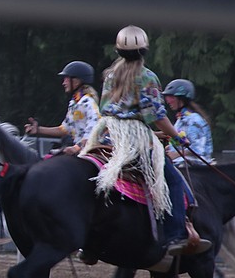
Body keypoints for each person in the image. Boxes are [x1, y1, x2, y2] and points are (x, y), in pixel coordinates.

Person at [82, 26, 211, 256]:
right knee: (172, 179)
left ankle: (89, 243)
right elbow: (156, 117)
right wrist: (176, 136)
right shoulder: (147, 77)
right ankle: (174, 237)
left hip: (106, 133)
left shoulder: (110, 74)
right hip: (133, 138)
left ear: (118, 50)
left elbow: (103, 108)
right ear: (144, 50)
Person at [24, 61, 101, 155]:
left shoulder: (88, 102)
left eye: (66, 79)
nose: (63, 83)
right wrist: (38, 130)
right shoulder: (74, 103)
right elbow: (64, 129)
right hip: (77, 149)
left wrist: (77, 148)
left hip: (88, 151)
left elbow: (95, 129)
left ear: (76, 82)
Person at [162, 78, 213, 168]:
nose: (168, 101)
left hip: (194, 167)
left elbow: (197, 149)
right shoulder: (180, 120)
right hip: (180, 164)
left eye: (171, 97)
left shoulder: (194, 120)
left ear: (181, 98)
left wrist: (175, 154)